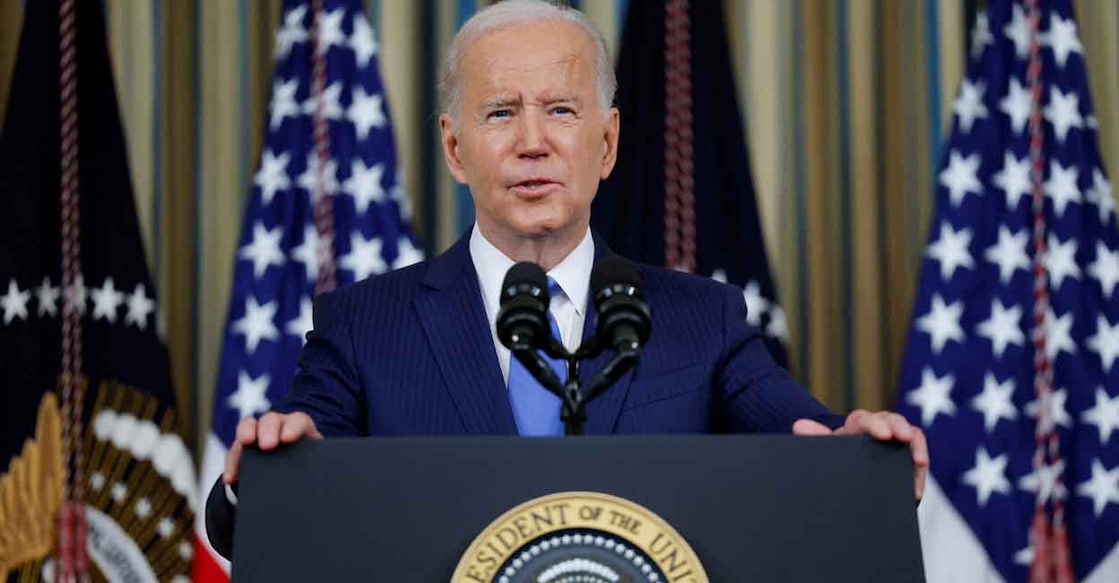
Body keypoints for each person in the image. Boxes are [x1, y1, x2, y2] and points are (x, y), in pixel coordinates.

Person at [206, 0, 928, 558]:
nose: (532, 142)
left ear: (606, 143)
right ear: (454, 149)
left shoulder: (700, 319)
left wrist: (856, 450)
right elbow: (249, 520)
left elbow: (805, 439)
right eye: (500, 113)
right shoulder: (365, 324)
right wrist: (268, 471)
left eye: (560, 110)